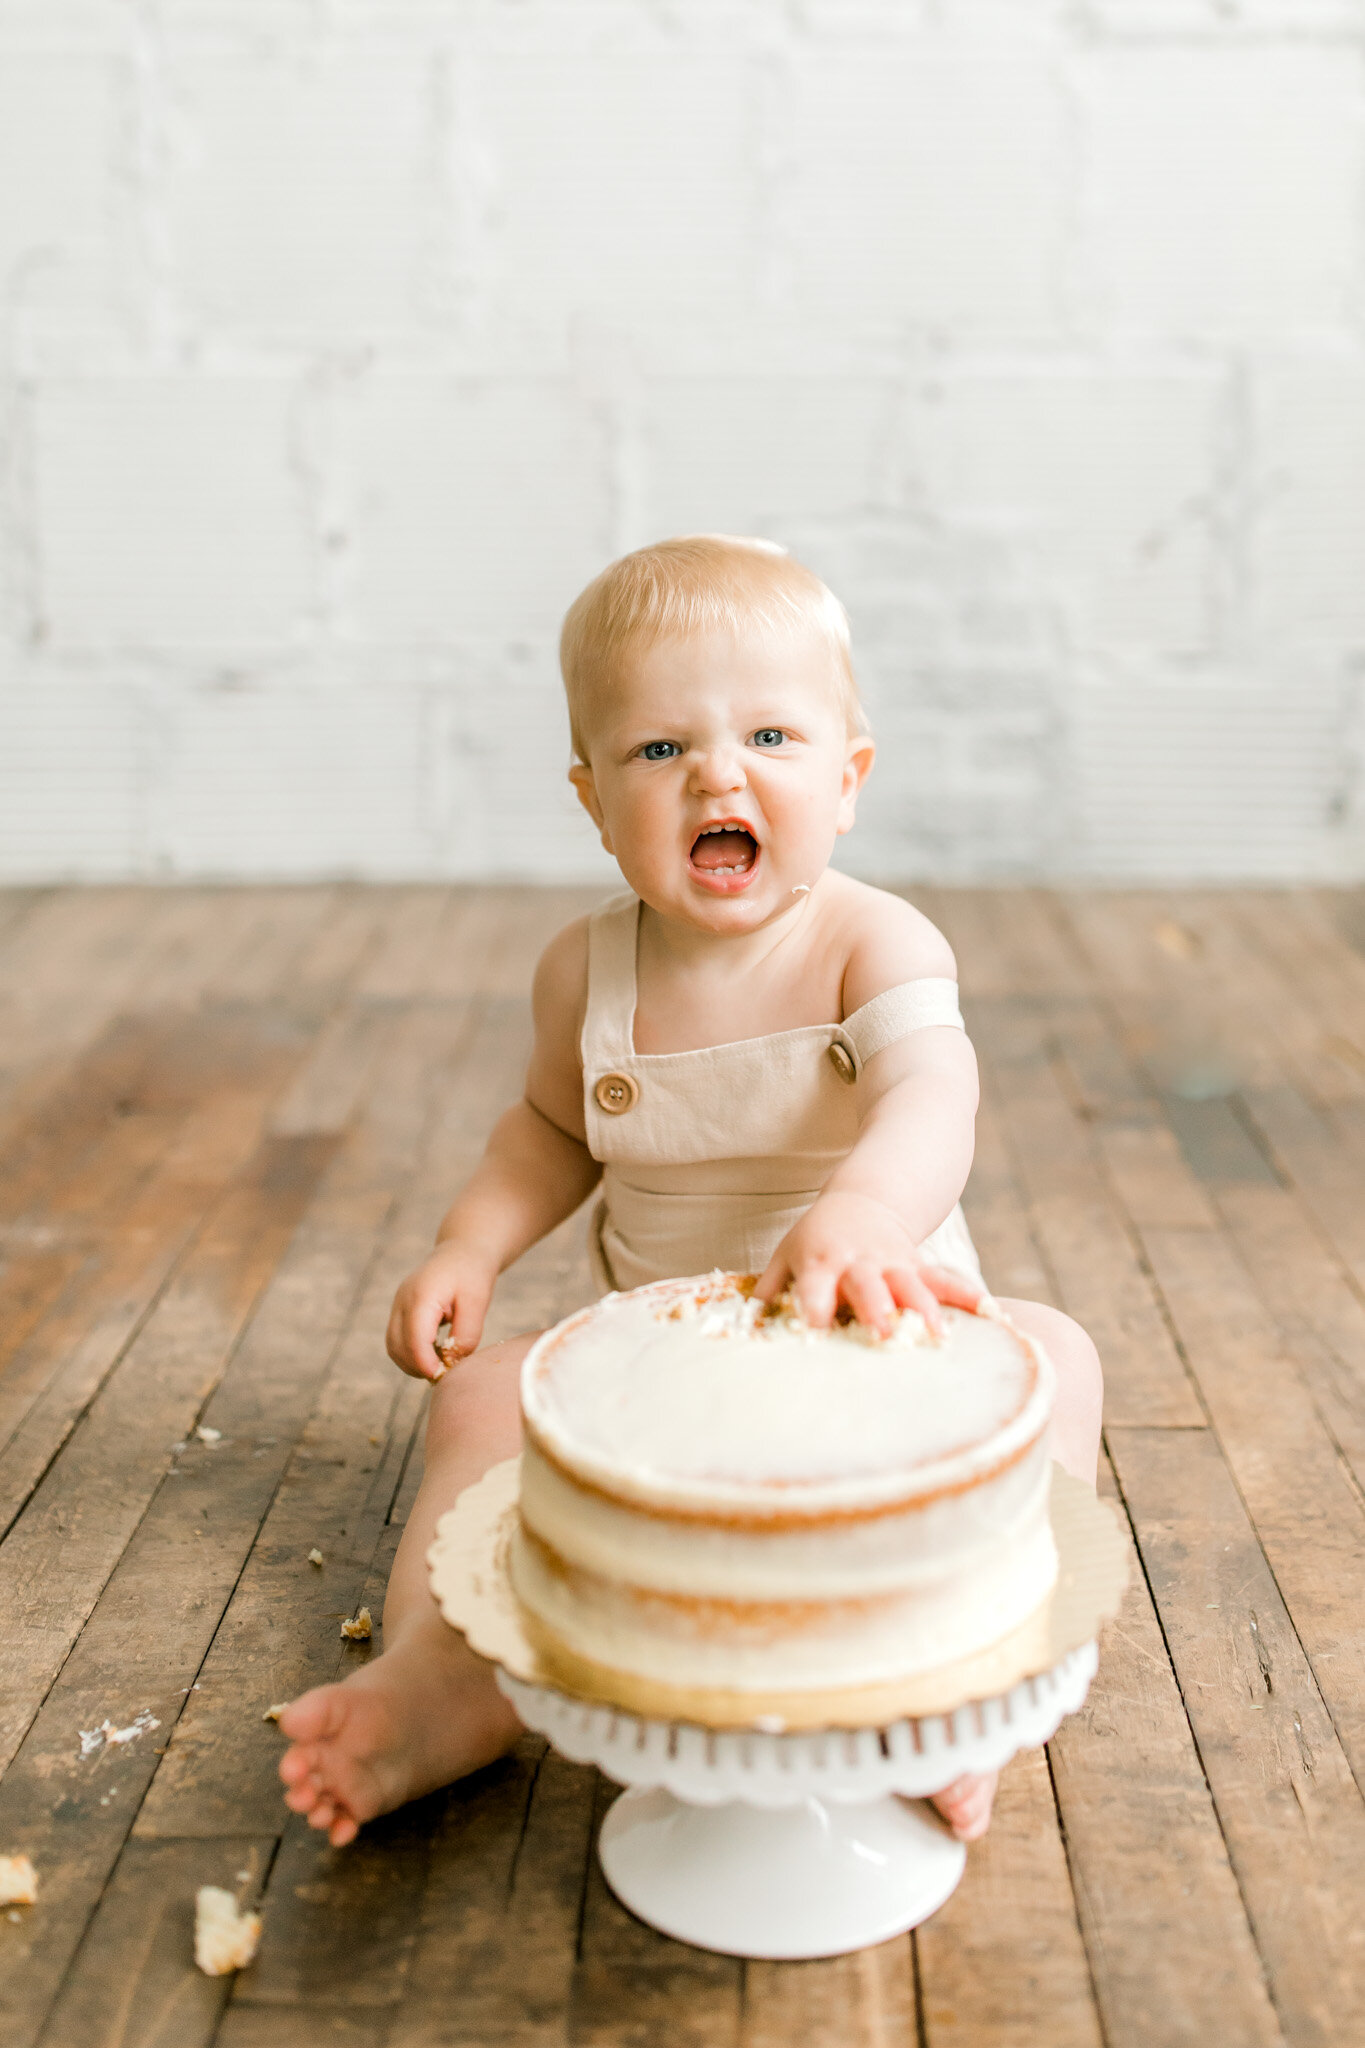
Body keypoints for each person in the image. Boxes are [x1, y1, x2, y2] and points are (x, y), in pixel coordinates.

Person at [278, 536, 1104, 1849]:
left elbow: (930, 1095)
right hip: (666, 1386)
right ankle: (448, 1679)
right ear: (593, 800)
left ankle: (976, 1683)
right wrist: (469, 1245)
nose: (718, 772)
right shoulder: (585, 973)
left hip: (884, 1334)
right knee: (487, 1393)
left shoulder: (871, 942)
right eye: (659, 751)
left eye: (770, 734)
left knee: (1056, 1355)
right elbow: (547, 1132)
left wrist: (864, 1217)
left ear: (847, 781)